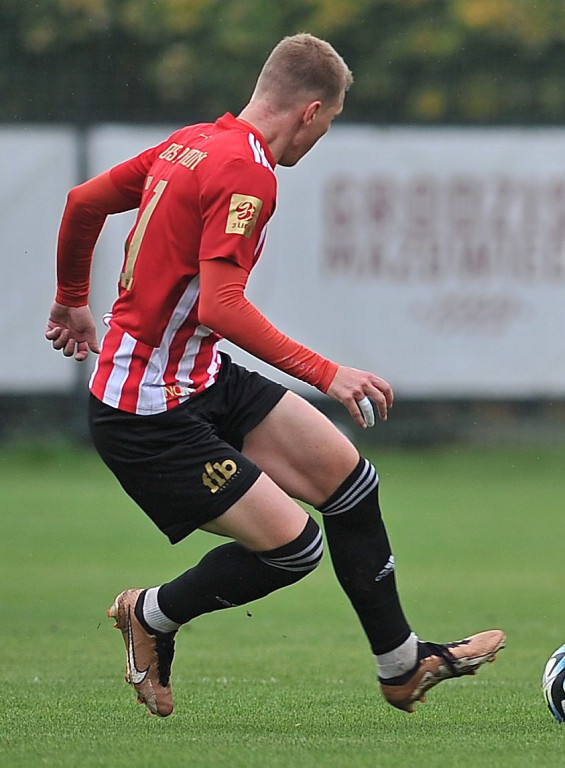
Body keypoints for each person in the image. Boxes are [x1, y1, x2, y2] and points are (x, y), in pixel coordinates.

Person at [44, 33, 504, 718]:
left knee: (350, 484)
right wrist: (329, 373)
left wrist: (70, 298)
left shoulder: (191, 142)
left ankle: (402, 667)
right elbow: (220, 305)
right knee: (294, 549)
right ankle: (151, 614)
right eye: (331, 122)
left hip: (196, 379)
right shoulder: (248, 172)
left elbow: (83, 201)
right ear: (311, 112)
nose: (320, 137)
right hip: (146, 412)